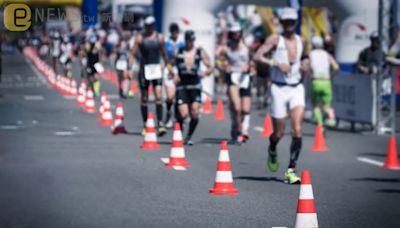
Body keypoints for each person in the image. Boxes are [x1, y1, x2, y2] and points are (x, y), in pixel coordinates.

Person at [254, 7, 309, 184]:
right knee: (279, 132)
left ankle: (291, 170)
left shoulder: (302, 41)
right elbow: (257, 56)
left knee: (298, 130)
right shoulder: (275, 39)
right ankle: (272, 147)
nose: (289, 25)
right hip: (278, 88)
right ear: (282, 23)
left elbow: (306, 57)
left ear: (296, 22)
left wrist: (305, 65)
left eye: (292, 22)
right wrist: (275, 62)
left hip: (296, 87)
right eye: (286, 22)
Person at [131, 16, 170, 136]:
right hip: (144, 69)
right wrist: (129, 68)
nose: (149, 28)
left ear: (154, 25)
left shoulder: (160, 38)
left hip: (156, 69)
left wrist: (169, 66)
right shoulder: (140, 38)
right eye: (147, 26)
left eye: (151, 25)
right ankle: (145, 124)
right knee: (144, 98)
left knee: (158, 95)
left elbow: (164, 54)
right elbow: (132, 53)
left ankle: (160, 124)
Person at [173, 30, 213, 145]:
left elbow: (210, 66)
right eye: (189, 40)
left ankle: (189, 136)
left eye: (193, 40)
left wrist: (205, 73)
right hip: (182, 86)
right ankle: (179, 132)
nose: (191, 43)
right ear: (185, 40)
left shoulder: (199, 52)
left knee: (195, 112)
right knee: (183, 114)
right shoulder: (178, 51)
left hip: (195, 86)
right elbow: (170, 64)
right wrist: (174, 74)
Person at [219, 23, 252, 145]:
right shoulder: (226, 47)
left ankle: (242, 126)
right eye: (233, 34)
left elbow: (254, 62)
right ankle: (240, 131)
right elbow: (218, 60)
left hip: (245, 78)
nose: (236, 35)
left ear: (241, 33)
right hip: (233, 77)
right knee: (237, 107)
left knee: (245, 109)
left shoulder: (247, 46)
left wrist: (248, 67)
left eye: (238, 33)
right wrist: (224, 66)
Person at [309, 36, 339, 128]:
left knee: (316, 106)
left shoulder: (310, 54)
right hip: (326, 82)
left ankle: (320, 125)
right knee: (327, 106)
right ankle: (332, 118)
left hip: (316, 81)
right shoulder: (327, 54)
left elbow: (307, 66)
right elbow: (336, 67)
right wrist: (331, 76)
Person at [164, 23, 184, 128]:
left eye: (176, 32)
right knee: (170, 97)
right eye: (173, 32)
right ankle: (168, 113)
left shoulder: (182, 43)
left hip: (180, 71)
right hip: (169, 69)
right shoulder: (167, 43)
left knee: (178, 96)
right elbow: (166, 59)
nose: (175, 34)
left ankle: (178, 117)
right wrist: (171, 71)